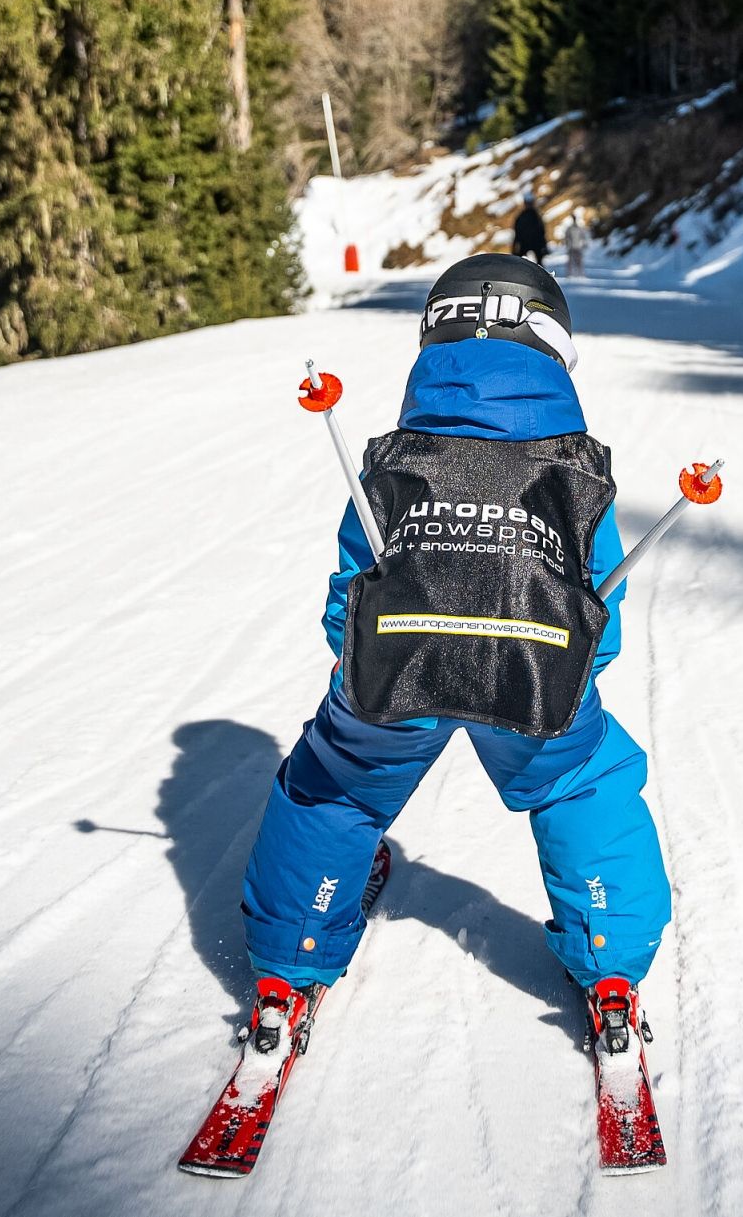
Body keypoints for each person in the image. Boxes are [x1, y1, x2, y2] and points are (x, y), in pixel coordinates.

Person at [238, 253, 671, 1058]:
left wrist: (351, 657)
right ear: (555, 346)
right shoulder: (572, 463)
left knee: (335, 781)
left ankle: (288, 968)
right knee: (583, 778)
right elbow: (596, 607)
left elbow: (354, 579)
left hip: (399, 659)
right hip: (535, 661)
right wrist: (577, 671)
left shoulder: (399, 454)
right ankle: (611, 962)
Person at [512, 192, 548, 263]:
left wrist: (515, 248)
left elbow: (541, 231)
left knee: (522, 264)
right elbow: (542, 231)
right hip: (531, 244)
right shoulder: (536, 216)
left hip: (528, 244)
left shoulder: (522, 216)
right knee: (537, 265)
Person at [562, 209, 590, 278]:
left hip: (578, 246)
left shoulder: (579, 228)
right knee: (571, 261)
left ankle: (580, 273)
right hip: (572, 246)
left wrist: (584, 243)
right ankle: (570, 273)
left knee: (578, 261)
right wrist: (566, 243)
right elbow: (566, 237)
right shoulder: (570, 228)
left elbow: (583, 236)